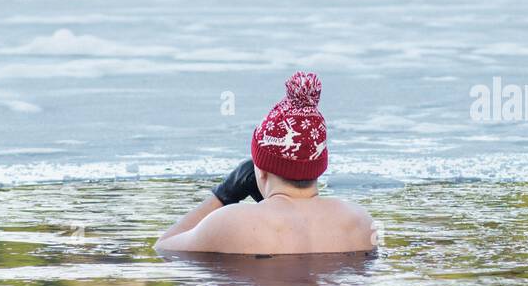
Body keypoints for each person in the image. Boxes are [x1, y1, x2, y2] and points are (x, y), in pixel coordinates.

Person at [155, 72, 377, 255]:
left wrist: (223, 195)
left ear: (259, 169)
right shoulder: (360, 222)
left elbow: (165, 248)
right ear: (320, 166)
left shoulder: (232, 224)